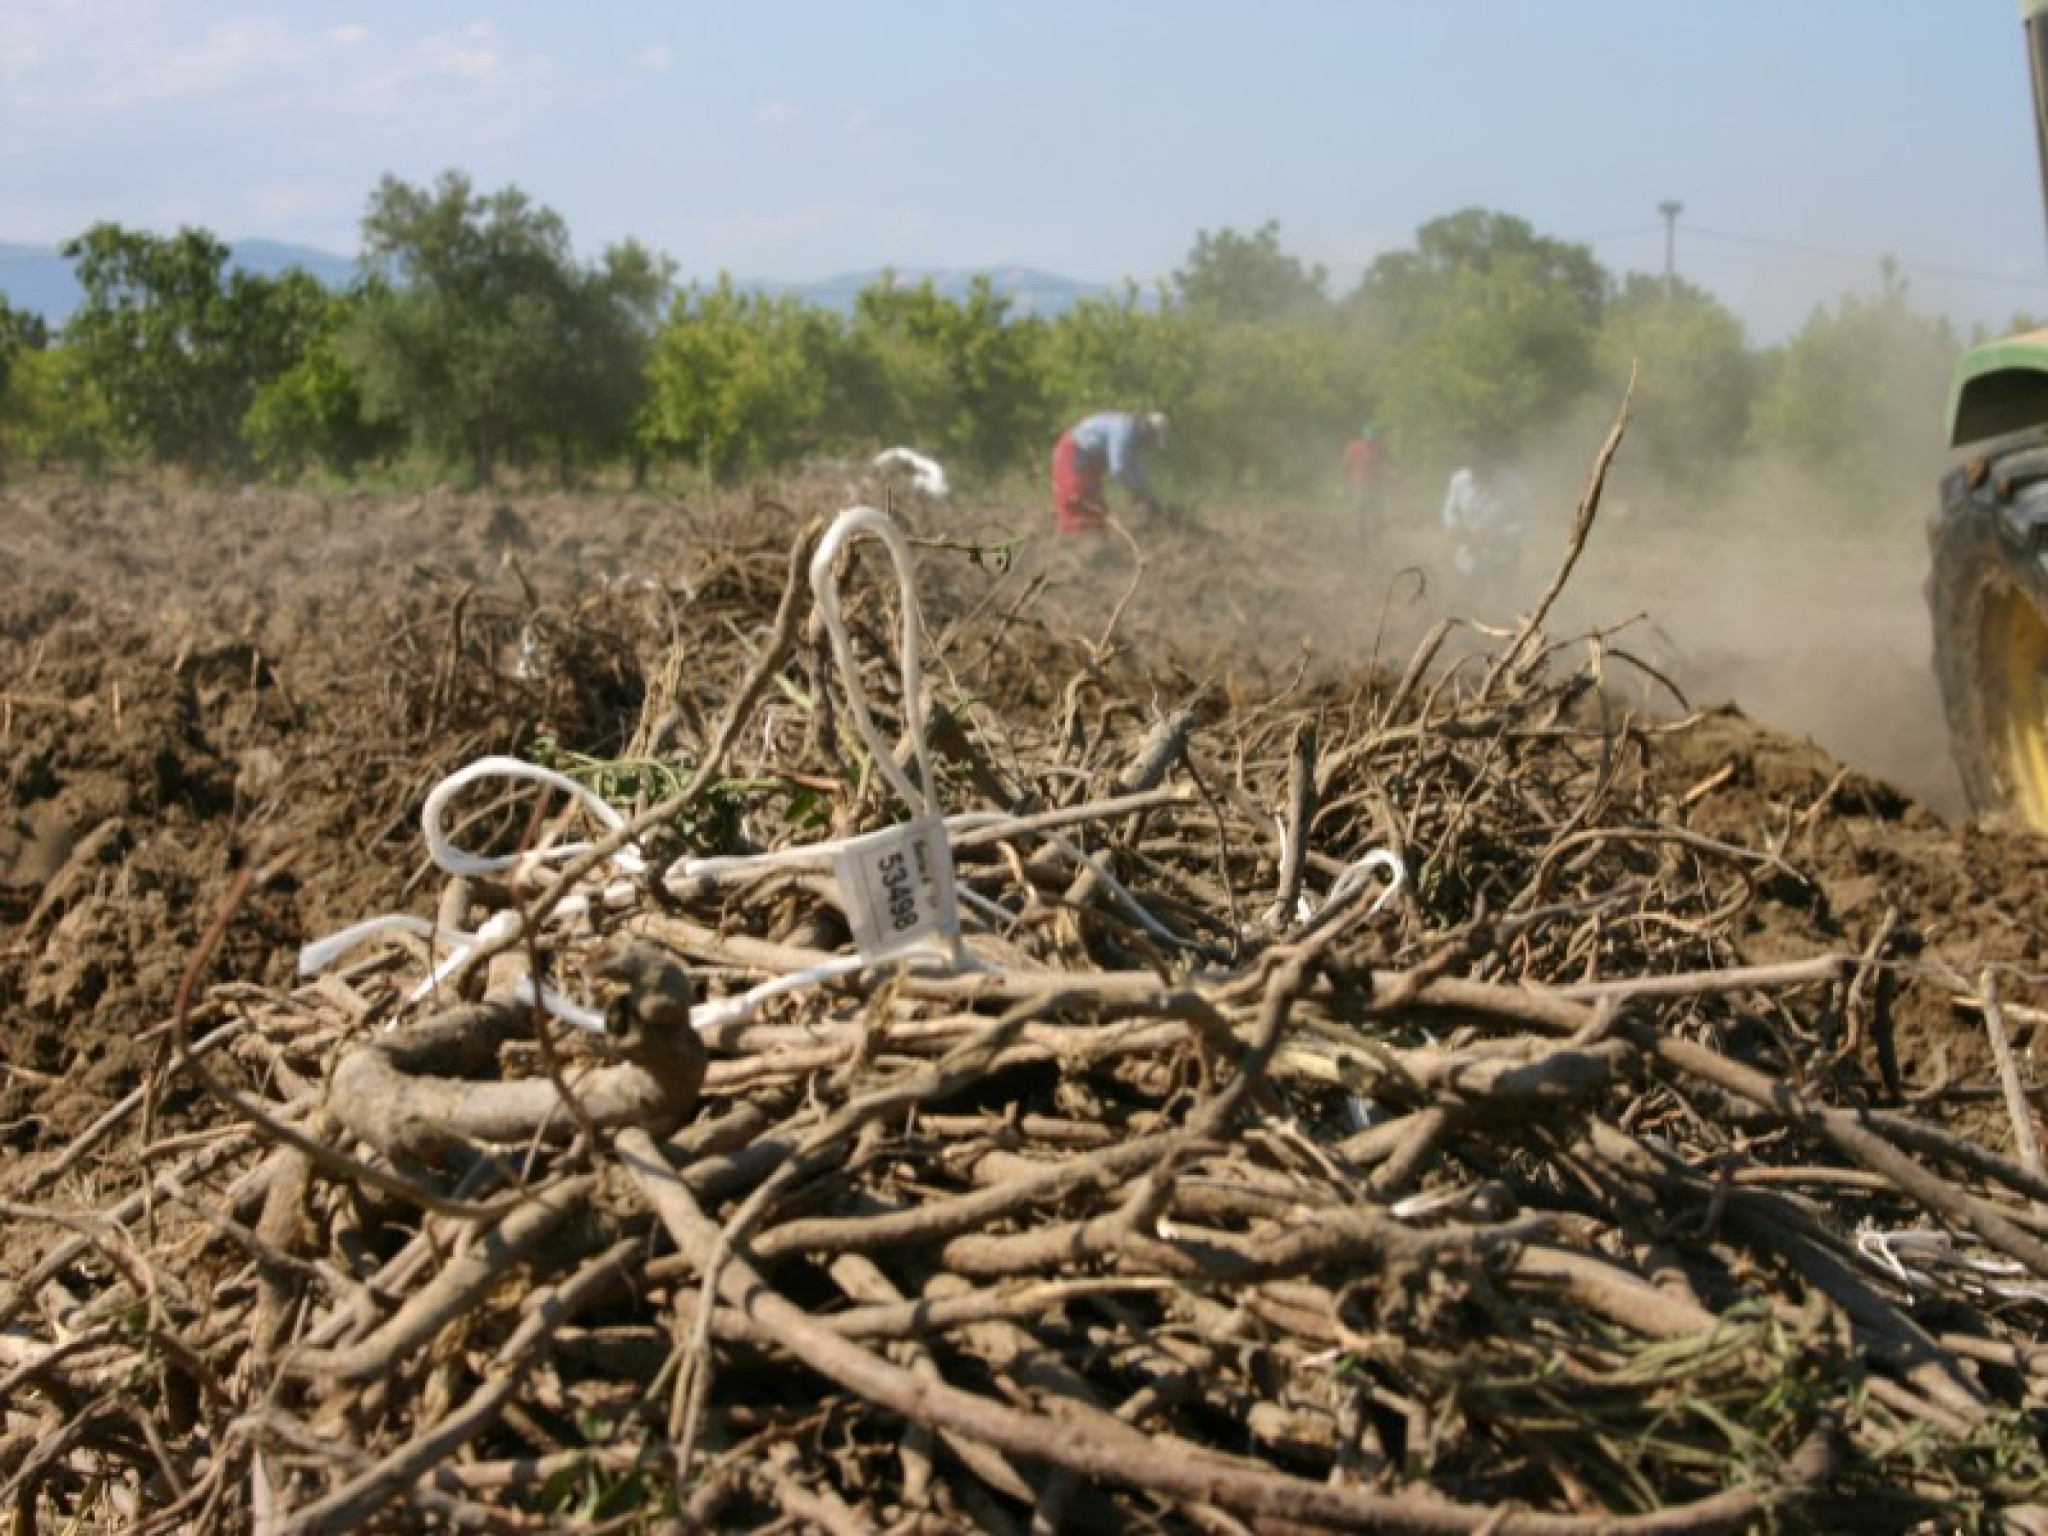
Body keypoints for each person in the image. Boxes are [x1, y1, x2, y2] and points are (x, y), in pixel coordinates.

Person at [1051, 410, 1167, 534]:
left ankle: (1095, 541)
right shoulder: (1125, 429)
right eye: (1152, 439)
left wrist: (1146, 493)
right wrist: (1138, 492)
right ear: (1149, 430)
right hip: (1072, 454)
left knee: (1096, 510)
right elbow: (1118, 468)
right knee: (1077, 504)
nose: (1149, 445)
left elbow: (1135, 468)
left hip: (1088, 462)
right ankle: (1070, 542)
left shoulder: (1133, 435)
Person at [1441, 451, 1526, 603]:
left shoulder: (1511, 482)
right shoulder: (1460, 480)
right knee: (1469, 598)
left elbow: (1527, 519)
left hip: (1503, 552)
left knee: (1502, 599)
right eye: (1474, 468)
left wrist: (1502, 535)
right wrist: (1455, 528)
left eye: (1484, 468)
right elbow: (1450, 513)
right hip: (1469, 551)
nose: (1479, 474)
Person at [1341, 421, 1388, 546]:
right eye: (1370, 440)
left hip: (1376, 485)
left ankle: (1376, 540)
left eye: (1375, 440)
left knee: (1377, 513)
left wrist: (1394, 472)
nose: (1372, 443)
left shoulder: (1381, 449)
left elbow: (1389, 462)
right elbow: (1345, 465)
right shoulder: (1354, 447)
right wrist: (1343, 484)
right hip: (1359, 485)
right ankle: (1360, 541)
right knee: (1359, 513)